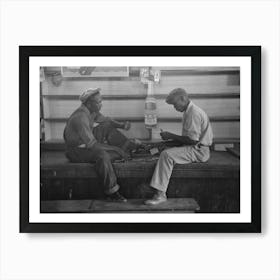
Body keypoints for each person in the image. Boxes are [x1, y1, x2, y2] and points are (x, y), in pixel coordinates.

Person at [64, 88, 140, 202]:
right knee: (102, 155)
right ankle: (112, 192)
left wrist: (122, 125)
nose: (101, 105)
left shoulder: (91, 111)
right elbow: (92, 145)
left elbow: (106, 120)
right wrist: (116, 149)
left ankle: (128, 148)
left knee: (106, 125)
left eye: (101, 101)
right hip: (75, 151)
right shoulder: (80, 117)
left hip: (86, 143)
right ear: (89, 103)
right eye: (98, 102)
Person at [144, 88, 213, 205]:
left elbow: (192, 141)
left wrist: (170, 135)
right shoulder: (189, 111)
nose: (175, 108)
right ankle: (159, 193)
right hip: (196, 147)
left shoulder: (193, 113)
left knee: (166, 155)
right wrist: (164, 144)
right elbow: (185, 140)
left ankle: (160, 195)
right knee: (165, 150)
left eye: (175, 104)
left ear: (183, 98)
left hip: (199, 151)